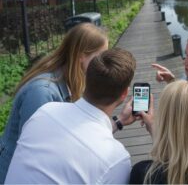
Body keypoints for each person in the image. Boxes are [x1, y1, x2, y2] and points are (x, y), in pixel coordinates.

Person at [5, 48, 136, 184]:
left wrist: (119, 121)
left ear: (87, 79)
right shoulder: (115, 159)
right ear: (124, 94)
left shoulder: (44, 112)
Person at [0, 23, 110, 183]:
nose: (103, 64)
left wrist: (118, 121)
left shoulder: (71, 82)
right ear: (81, 55)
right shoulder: (41, 93)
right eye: (100, 57)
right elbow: (34, 155)